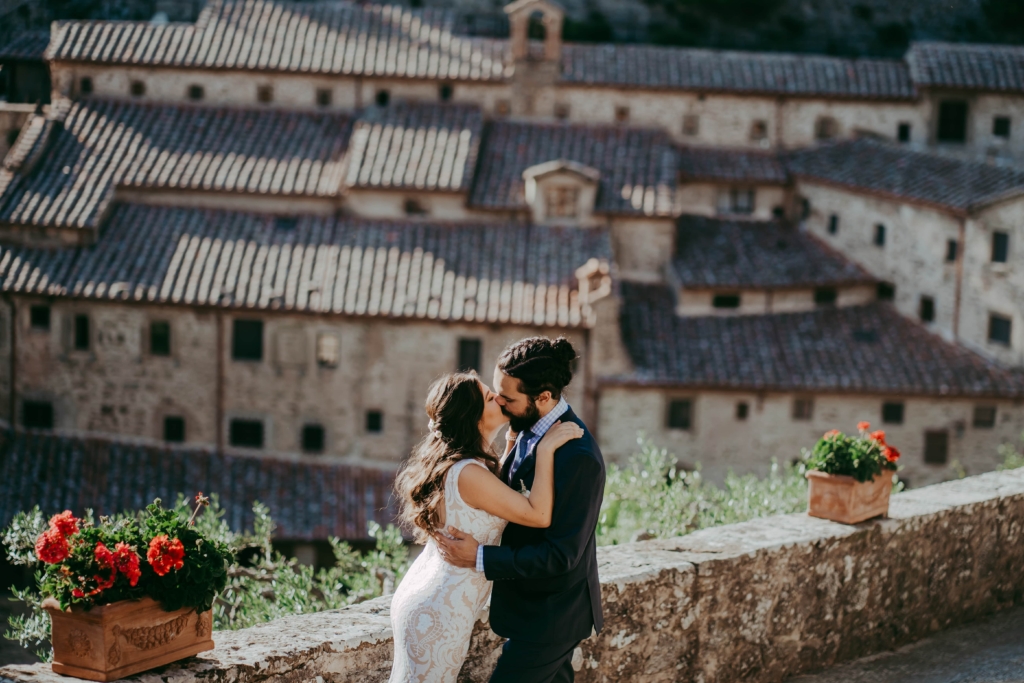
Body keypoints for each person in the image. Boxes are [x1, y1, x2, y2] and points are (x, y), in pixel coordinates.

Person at [389, 370, 584, 683]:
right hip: (440, 611)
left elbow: (494, 498)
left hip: (428, 595)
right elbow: (538, 515)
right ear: (473, 415)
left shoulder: (466, 465)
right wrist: (546, 451)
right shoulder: (468, 472)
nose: (500, 397)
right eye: (489, 396)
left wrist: (509, 442)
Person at [435, 336, 606, 683]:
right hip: (531, 611)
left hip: (552, 617)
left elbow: (562, 555)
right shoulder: (527, 429)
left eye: (508, 397)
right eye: (496, 391)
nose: (498, 401)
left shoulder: (578, 458)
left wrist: (479, 557)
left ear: (543, 398)